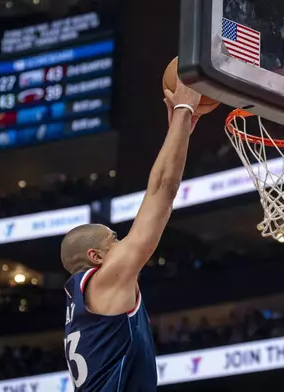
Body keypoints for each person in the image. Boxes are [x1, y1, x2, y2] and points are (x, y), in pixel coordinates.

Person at [61, 76, 201, 391]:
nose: (124, 242)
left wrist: (178, 134)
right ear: (95, 256)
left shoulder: (82, 305)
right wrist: (182, 111)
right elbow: (162, 192)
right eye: (114, 240)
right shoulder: (106, 279)